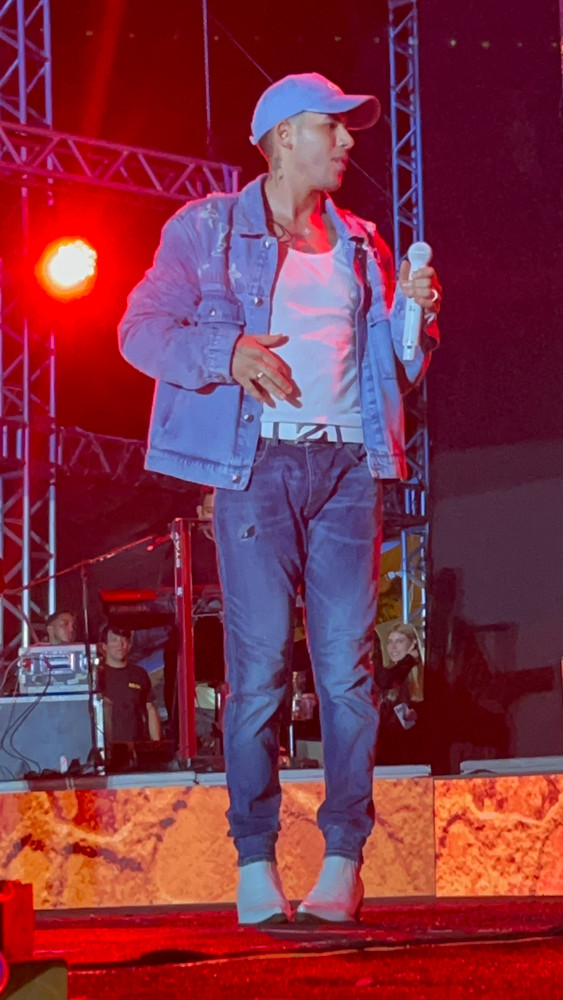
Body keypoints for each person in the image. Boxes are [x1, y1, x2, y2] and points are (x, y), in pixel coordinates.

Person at [119, 71, 441, 926]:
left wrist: (418, 324)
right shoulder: (207, 229)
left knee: (346, 673)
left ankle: (342, 862)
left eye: (347, 128)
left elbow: (396, 372)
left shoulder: (364, 244)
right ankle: (255, 859)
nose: (347, 141)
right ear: (281, 137)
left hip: (349, 468)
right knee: (257, 673)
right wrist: (225, 354)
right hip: (255, 466)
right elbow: (138, 331)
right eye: (331, 127)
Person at [98, 625, 161, 747]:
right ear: (104, 646)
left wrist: (156, 744)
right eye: (114, 640)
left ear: (130, 645)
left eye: (124, 640)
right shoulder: (97, 675)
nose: (120, 645)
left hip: (137, 746)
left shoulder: (139, 674)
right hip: (106, 747)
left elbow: (150, 709)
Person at [374, 623, 424, 764]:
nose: (393, 647)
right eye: (390, 642)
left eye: (399, 641)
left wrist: (417, 715)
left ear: (413, 644)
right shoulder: (386, 677)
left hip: (414, 752)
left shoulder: (423, 675)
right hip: (386, 751)